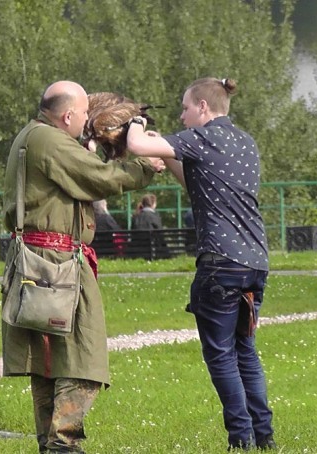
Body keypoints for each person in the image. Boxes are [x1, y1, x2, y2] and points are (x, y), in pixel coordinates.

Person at [1, 80, 164, 453]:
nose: (89, 118)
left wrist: (91, 150)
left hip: (36, 265)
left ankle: (51, 444)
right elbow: (100, 178)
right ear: (68, 115)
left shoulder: (31, 135)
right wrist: (144, 167)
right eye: (85, 113)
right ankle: (63, 443)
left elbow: (78, 176)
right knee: (84, 359)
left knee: (49, 362)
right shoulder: (51, 141)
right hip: (57, 268)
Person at [126, 77, 276, 451]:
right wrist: (170, 157)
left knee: (221, 353)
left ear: (203, 108)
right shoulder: (245, 142)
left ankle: (240, 438)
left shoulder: (202, 137)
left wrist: (136, 121)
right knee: (245, 350)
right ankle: (264, 436)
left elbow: (135, 145)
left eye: (185, 108)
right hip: (255, 260)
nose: (182, 114)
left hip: (220, 264)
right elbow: (198, 185)